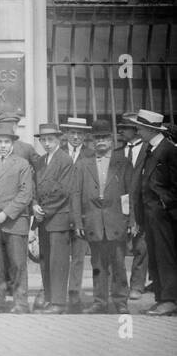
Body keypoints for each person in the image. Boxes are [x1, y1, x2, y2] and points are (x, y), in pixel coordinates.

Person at [71, 119, 132, 314]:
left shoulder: (122, 163)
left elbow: (130, 193)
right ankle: (100, 301)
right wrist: (78, 222)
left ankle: (121, 301)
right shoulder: (82, 164)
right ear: (91, 141)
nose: (101, 142)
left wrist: (131, 220)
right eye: (97, 138)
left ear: (112, 140)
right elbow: (76, 194)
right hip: (93, 221)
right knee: (97, 263)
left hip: (116, 221)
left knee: (119, 263)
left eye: (105, 137)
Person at [0, 119, 35, 313]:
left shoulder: (22, 164)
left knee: (18, 264)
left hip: (14, 223)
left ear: (12, 144)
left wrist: (4, 214)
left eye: (6, 142)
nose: (2, 146)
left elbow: (25, 194)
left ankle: (21, 302)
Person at [127, 110, 177, 316]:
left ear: (149, 129)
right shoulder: (152, 149)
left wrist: (164, 205)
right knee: (155, 257)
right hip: (151, 214)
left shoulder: (169, 151)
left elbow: (175, 186)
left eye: (139, 127)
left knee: (166, 257)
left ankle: (170, 300)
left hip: (163, 215)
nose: (137, 130)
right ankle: (161, 298)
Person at [32, 122, 75, 314]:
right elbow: (34, 186)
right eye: (43, 140)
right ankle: (50, 299)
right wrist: (34, 205)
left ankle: (58, 302)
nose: (47, 143)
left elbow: (63, 190)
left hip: (57, 217)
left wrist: (43, 210)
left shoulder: (65, 160)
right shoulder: (40, 161)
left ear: (58, 139)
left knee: (58, 261)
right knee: (46, 260)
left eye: (50, 139)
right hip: (43, 217)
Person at [59, 116, 91, 310]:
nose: (76, 136)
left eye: (80, 133)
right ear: (66, 134)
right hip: (60, 212)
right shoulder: (59, 153)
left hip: (82, 213)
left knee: (79, 254)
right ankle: (58, 291)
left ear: (85, 136)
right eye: (73, 133)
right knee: (60, 254)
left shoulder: (90, 154)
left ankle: (74, 292)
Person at [117, 112, 149, 299]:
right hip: (119, 207)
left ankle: (137, 285)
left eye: (125, 128)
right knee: (118, 247)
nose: (121, 131)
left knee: (141, 246)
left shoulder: (148, 150)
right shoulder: (117, 152)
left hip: (142, 206)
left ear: (136, 130)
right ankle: (119, 286)